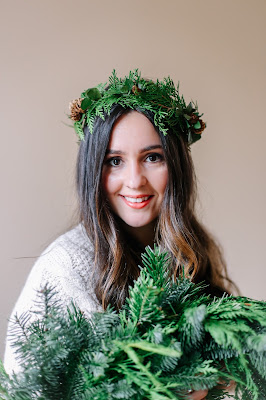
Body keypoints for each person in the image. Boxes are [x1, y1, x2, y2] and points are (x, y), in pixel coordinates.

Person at [4, 70, 233, 399]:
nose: (135, 180)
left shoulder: (193, 250)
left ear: (177, 165)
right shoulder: (66, 266)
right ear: (93, 172)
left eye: (152, 157)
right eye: (114, 161)